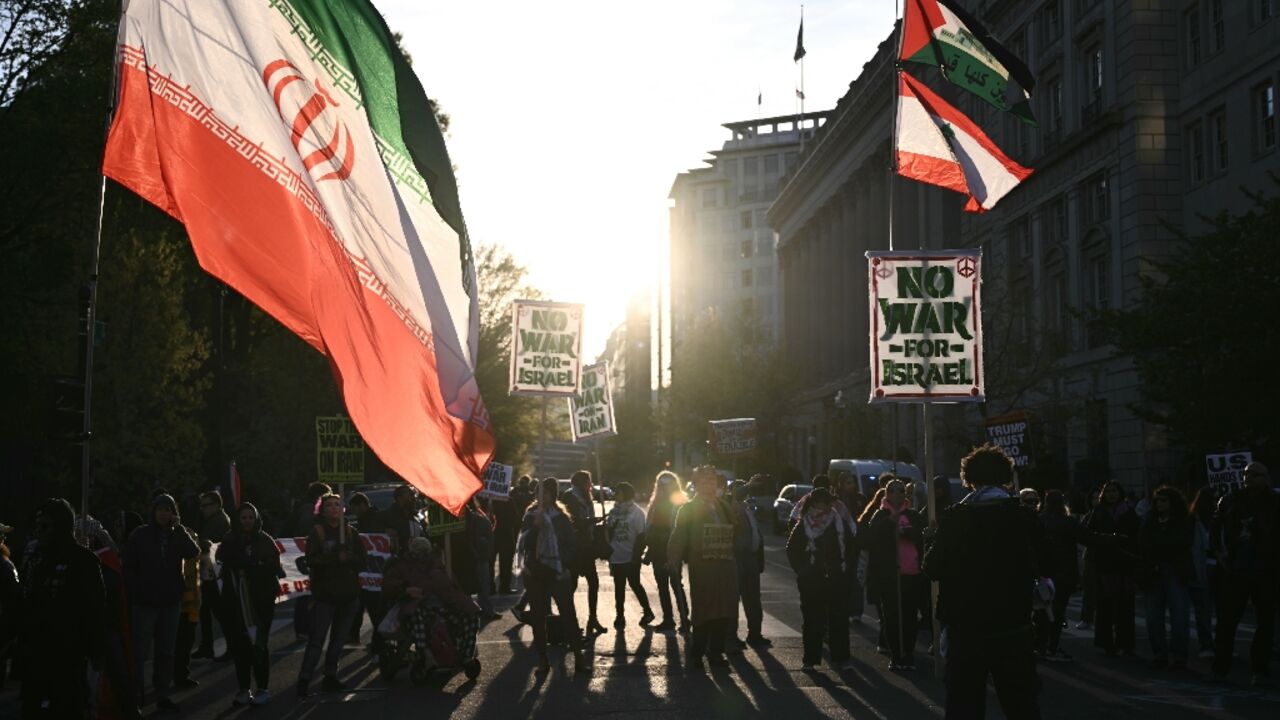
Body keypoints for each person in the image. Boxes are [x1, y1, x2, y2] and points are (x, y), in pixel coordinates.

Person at [923, 444, 1042, 719]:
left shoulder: (957, 517)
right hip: (1013, 623)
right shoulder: (1022, 515)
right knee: (1021, 703)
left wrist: (931, 541)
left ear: (969, 478)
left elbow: (933, 569)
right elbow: (1044, 561)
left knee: (965, 704)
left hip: (966, 626)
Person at [18, 499, 106, 718]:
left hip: (68, 651)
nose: (40, 532)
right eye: (37, 526)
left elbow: (95, 608)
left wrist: (96, 649)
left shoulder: (83, 560)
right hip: (35, 650)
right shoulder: (34, 557)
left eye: (45, 526)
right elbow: (24, 600)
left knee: (67, 707)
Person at [123, 493, 200, 712]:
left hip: (170, 602)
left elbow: (193, 551)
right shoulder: (140, 535)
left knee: (166, 652)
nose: (164, 514)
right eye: (160, 509)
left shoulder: (177, 535)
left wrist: (181, 529)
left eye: (168, 510)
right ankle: (136, 696)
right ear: (153, 511)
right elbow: (128, 567)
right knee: (140, 653)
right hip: (145, 603)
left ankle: (162, 694)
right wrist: (137, 590)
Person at [667, 465, 740, 672]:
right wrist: (673, 558)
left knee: (724, 611)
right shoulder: (688, 509)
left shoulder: (725, 506)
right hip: (703, 566)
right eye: (704, 481)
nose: (709, 485)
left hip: (725, 565)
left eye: (712, 481)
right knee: (704, 611)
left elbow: (736, 532)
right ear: (696, 484)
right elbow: (678, 535)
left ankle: (716, 653)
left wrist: (737, 517)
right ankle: (697, 654)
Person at [1210, 462, 1278, 685]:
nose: (1248, 477)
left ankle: (1260, 669)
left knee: (1265, 621)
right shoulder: (1231, 500)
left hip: (1266, 569)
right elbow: (1215, 526)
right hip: (1236, 568)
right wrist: (1219, 554)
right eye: (1246, 474)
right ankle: (1220, 669)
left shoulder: (1274, 502)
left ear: (1265, 477)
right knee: (1227, 621)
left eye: (1254, 474)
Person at [296, 493, 367, 697]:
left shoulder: (351, 533)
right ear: (322, 510)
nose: (333, 508)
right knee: (317, 640)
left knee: (338, 640)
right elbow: (311, 560)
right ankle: (305, 678)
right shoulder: (317, 532)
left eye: (337, 504)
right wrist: (336, 557)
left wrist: (350, 557)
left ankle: (330, 676)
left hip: (348, 595)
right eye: (329, 505)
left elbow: (363, 562)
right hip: (325, 595)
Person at [382, 537, 482, 676]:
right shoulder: (402, 566)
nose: (422, 554)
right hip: (417, 606)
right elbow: (389, 585)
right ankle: (427, 656)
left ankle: (466, 655)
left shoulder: (437, 564)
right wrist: (406, 590)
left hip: (443, 605)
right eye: (419, 551)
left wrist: (468, 605)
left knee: (471, 616)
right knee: (420, 618)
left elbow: (453, 588)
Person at [517, 478, 586, 674]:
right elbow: (523, 544)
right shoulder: (530, 515)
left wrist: (561, 564)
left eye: (545, 493)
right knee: (538, 617)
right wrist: (536, 527)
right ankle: (542, 659)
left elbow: (571, 544)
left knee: (568, 615)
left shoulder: (561, 517)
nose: (541, 497)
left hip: (557, 572)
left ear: (552, 495)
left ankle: (579, 658)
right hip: (536, 573)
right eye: (539, 493)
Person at [218, 502, 284, 706]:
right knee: (240, 647)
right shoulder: (230, 539)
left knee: (259, 645)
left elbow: (273, 566)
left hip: (260, 602)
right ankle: (244, 689)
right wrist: (245, 565)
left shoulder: (265, 540)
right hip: (236, 602)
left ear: (256, 519)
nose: (247, 521)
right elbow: (223, 559)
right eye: (243, 517)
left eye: (250, 517)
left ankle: (262, 688)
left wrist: (251, 567)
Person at [863, 478, 927, 671]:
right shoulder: (880, 514)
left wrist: (908, 532)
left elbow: (921, 534)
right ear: (887, 494)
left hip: (912, 572)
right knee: (892, 616)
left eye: (901, 491)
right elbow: (871, 538)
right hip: (890, 575)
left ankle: (908, 653)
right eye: (893, 491)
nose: (897, 495)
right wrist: (891, 523)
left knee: (909, 616)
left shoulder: (913, 515)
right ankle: (896, 654)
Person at [787, 488, 853, 671]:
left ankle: (841, 658)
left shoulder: (838, 522)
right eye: (822, 502)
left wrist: (844, 570)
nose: (826, 506)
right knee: (812, 620)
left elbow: (850, 546)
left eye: (828, 502)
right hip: (812, 581)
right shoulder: (804, 524)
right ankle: (810, 659)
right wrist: (803, 571)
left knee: (838, 620)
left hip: (835, 578)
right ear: (814, 503)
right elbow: (792, 550)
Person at [1140, 485, 1193, 670]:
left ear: (1173, 502)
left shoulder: (1183, 520)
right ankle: (1160, 654)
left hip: (1175, 569)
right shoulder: (1150, 519)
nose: (1160, 504)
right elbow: (1144, 543)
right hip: (1154, 570)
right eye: (1157, 500)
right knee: (1153, 617)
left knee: (1180, 616)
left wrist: (1158, 546)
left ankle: (1179, 656)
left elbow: (1180, 543)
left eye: (1164, 500)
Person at [1085, 481, 1140, 657]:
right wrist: (1107, 540)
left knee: (1126, 606)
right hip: (1105, 564)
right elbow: (1089, 535)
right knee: (1106, 606)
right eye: (1107, 491)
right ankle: (1107, 643)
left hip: (1125, 564)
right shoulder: (1099, 511)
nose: (1111, 494)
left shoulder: (1129, 511)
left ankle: (1127, 643)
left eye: (1114, 491)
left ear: (1120, 492)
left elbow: (1137, 536)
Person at [1035, 490, 1085, 662]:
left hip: (1043, 572)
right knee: (1058, 611)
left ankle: (1041, 646)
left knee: (1042, 611)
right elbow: (1088, 538)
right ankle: (1052, 646)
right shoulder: (1068, 522)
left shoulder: (1039, 521)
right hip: (1065, 573)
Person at [644, 471, 691, 634]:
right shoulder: (655, 504)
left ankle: (685, 619)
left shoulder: (679, 502)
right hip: (657, 549)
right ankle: (668, 619)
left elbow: (683, 528)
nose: (664, 488)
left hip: (673, 547)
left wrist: (679, 551)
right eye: (661, 485)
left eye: (667, 484)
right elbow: (649, 526)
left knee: (676, 583)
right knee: (662, 585)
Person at [562, 470, 607, 635]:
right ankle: (568, 620)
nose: (590, 484)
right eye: (588, 481)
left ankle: (592, 617)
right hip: (575, 547)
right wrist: (591, 521)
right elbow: (572, 521)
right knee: (571, 585)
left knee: (593, 582)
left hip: (587, 546)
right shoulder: (570, 496)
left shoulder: (586, 497)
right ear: (582, 482)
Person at [605, 482, 654, 629]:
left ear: (625, 494)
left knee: (634, 584)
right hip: (616, 555)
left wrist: (636, 555)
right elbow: (609, 532)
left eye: (618, 492)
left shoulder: (636, 512)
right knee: (619, 587)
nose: (615, 495)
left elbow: (641, 536)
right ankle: (620, 615)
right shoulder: (614, 512)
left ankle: (647, 611)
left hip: (631, 555)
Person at [731, 480, 771, 649]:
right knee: (734, 598)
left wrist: (759, 560)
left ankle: (755, 634)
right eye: (740, 489)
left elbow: (756, 535)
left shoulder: (746, 508)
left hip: (751, 558)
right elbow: (734, 496)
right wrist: (750, 484)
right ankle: (731, 636)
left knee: (753, 598)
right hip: (737, 557)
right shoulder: (732, 507)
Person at [192, 490, 230, 660]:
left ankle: (231, 645)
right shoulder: (214, 519)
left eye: (206, 505)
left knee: (220, 611)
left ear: (216, 505)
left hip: (215, 573)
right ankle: (207, 646)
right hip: (210, 572)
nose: (202, 509)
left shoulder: (219, 521)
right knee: (206, 610)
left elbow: (210, 545)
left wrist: (197, 541)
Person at [1187, 486, 1217, 659]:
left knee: (1223, 609)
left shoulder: (1223, 517)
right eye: (1213, 499)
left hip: (1220, 566)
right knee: (1203, 609)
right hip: (1202, 566)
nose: (1216, 502)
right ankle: (1206, 643)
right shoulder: (1193, 520)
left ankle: (1220, 643)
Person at [170, 544, 203, 689]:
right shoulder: (175, 544)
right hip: (180, 602)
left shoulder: (191, 543)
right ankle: (178, 675)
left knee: (186, 641)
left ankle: (181, 674)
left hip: (191, 604)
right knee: (179, 642)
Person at [465, 497, 502, 621]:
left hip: (478, 555)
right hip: (475, 556)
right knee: (479, 586)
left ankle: (482, 610)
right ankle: (480, 610)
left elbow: (488, 533)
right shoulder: (475, 517)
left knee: (482, 586)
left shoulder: (478, 516)